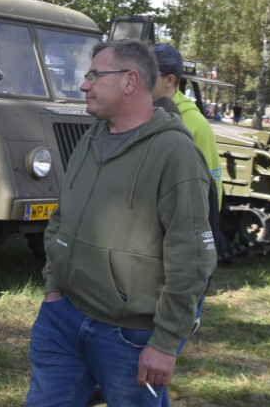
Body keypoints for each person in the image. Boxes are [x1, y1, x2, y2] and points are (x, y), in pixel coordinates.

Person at [25, 39, 216, 407]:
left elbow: (191, 258)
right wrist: (53, 288)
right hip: (63, 319)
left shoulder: (175, 153)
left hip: (129, 337)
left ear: (130, 81)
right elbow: (62, 215)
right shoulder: (91, 138)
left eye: (95, 75)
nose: (84, 85)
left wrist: (164, 343)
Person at [152, 43, 223, 208]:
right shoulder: (135, 113)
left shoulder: (195, 123)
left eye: (149, 73)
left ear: (169, 80)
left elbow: (210, 186)